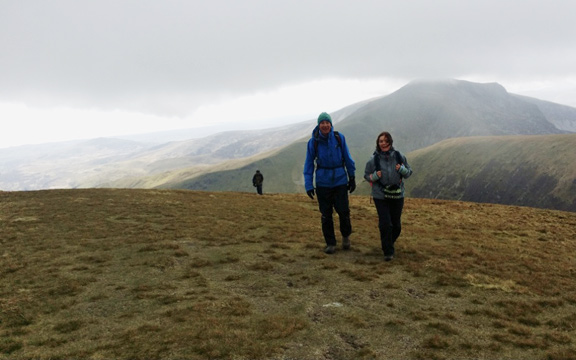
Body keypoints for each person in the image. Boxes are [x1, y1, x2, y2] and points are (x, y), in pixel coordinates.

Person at [303, 112, 356, 254]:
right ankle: (330, 243)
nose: (325, 125)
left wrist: (352, 177)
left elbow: (347, 158)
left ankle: (345, 236)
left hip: (339, 180)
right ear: (318, 125)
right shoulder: (313, 142)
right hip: (322, 183)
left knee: (344, 212)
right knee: (326, 215)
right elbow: (308, 164)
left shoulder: (339, 138)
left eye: (327, 122)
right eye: (322, 123)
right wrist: (308, 184)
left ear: (331, 124)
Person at [364, 131, 413, 261]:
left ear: (390, 142)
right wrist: (374, 177)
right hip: (380, 195)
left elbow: (408, 173)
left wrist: (402, 170)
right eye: (381, 141)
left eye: (386, 141)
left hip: (397, 195)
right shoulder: (373, 159)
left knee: (396, 225)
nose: (383, 143)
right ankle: (388, 251)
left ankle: (388, 243)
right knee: (385, 223)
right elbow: (366, 175)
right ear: (378, 143)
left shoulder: (399, 156)